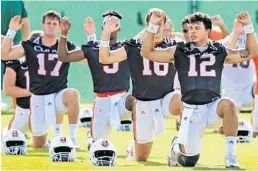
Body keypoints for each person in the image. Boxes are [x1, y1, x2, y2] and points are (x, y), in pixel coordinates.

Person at [141, 11, 258, 168]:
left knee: (229, 104)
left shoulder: (219, 50)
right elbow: (146, 52)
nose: (192, 31)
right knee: (188, 161)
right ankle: (177, 147)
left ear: (208, 31)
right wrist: (153, 26)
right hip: (191, 110)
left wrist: (249, 27)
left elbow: (251, 52)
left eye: (197, 27)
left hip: (212, 107)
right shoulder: (179, 50)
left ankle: (231, 154)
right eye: (190, 28)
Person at [98, 8, 182, 161]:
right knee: (141, 158)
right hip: (144, 103)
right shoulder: (134, 45)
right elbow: (105, 58)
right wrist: (106, 33)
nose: (156, 27)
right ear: (147, 25)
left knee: (183, 100)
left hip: (166, 100)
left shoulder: (173, 46)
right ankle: (134, 148)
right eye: (153, 24)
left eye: (159, 24)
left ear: (165, 26)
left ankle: (180, 145)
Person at [1, 10, 80, 148]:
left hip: (58, 95)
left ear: (59, 26)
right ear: (43, 25)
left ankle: (72, 138)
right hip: (38, 96)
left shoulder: (65, 45)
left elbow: (88, 57)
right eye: (48, 23)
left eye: (55, 23)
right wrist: (11, 31)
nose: (51, 25)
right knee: (39, 143)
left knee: (73, 94)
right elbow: (5, 54)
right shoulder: (30, 45)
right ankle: (48, 139)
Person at [57, 10, 134, 149]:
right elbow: (64, 56)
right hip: (102, 101)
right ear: (102, 27)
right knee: (95, 145)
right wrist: (63, 34)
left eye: (114, 23)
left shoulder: (126, 47)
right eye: (107, 23)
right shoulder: (93, 48)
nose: (111, 25)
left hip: (122, 98)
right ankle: (91, 137)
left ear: (119, 27)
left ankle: (138, 143)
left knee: (136, 101)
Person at [1, 0, 30, 91]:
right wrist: (26, 48)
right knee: (14, 79)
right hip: (14, 47)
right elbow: (25, 26)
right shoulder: (18, 2)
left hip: (11, 46)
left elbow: (25, 25)